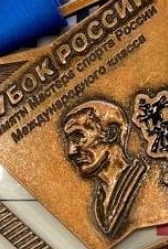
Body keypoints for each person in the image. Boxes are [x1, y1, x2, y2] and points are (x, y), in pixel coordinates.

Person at [62, 100, 147, 237]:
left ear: (111, 134)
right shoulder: (99, 201)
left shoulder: (147, 184)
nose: (71, 152)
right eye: (69, 141)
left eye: (78, 137)